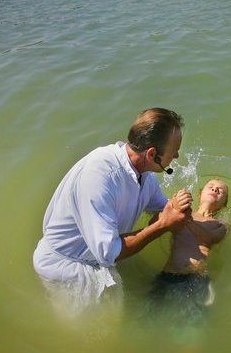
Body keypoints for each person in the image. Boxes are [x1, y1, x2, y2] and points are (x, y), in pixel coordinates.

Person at [33, 108, 194, 320]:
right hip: (68, 267)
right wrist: (162, 225)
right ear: (152, 154)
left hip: (102, 255)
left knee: (144, 295)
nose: (176, 155)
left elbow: (164, 210)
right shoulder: (100, 176)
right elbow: (109, 252)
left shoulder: (144, 175)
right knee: (96, 333)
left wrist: (182, 211)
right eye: (175, 150)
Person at [145, 179, 230, 331]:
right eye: (211, 186)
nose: (215, 190)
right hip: (167, 276)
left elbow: (209, 238)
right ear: (200, 193)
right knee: (146, 321)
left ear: (224, 204)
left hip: (196, 280)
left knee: (190, 332)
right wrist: (170, 207)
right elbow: (153, 225)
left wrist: (186, 217)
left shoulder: (221, 223)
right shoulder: (179, 212)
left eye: (221, 191)